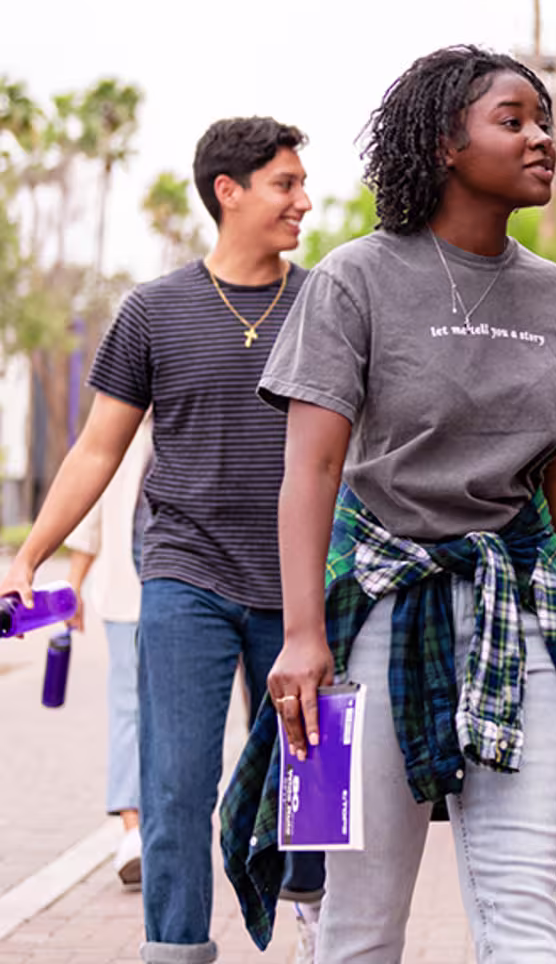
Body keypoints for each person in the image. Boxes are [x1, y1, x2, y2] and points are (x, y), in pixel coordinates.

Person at [219, 45, 556, 963]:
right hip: (375, 617)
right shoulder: (353, 277)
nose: (541, 141)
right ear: (446, 141)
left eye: (542, 121)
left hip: (517, 613)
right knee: (362, 917)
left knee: (524, 904)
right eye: (512, 120)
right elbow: (312, 471)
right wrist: (300, 636)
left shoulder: (553, 294)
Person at [1, 116, 325, 964]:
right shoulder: (154, 310)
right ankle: (176, 951)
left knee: (315, 778)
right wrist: (29, 556)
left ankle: (320, 918)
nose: (304, 200)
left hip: (304, 584)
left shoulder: (327, 302)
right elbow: (97, 449)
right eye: (286, 184)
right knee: (177, 783)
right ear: (230, 191)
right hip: (186, 574)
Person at [63, 416, 153, 889]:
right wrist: (73, 585)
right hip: (126, 597)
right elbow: (91, 510)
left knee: (171, 719)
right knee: (129, 712)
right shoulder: (119, 423)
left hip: (203, 596)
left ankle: (163, 828)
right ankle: (133, 832)